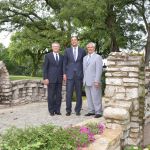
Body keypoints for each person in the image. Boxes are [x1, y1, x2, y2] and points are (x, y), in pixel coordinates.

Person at [63, 36, 86, 116]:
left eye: (75, 40)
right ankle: (68, 110)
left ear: (77, 41)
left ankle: (78, 110)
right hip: (69, 75)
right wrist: (64, 73)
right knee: (68, 93)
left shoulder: (82, 51)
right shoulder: (67, 50)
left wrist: (84, 74)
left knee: (79, 93)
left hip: (79, 75)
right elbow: (64, 63)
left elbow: (84, 63)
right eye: (72, 40)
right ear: (71, 42)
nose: (74, 41)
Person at [43, 42, 63, 116]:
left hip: (59, 79)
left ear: (59, 47)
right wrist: (45, 78)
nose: (56, 48)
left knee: (58, 96)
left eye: (57, 46)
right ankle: (51, 111)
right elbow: (45, 68)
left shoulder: (62, 56)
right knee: (51, 96)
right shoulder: (48, 56)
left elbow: (62, 68)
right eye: (54, 46)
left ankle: (57, 110)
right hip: (50, 79)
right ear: (52, 47)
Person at [83, 42, 103, 118]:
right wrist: (84, 80)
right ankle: (91, 111)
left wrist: (97, 80)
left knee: (96, 96)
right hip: (86, 81)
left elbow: (99, 70)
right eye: (88, 47)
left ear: (94, 48)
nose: (90, 49)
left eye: (91, 47)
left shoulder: (98, 57)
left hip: (94, 80)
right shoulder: (84, 58)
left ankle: (98, 112)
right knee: (89, 97)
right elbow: (84, 70)